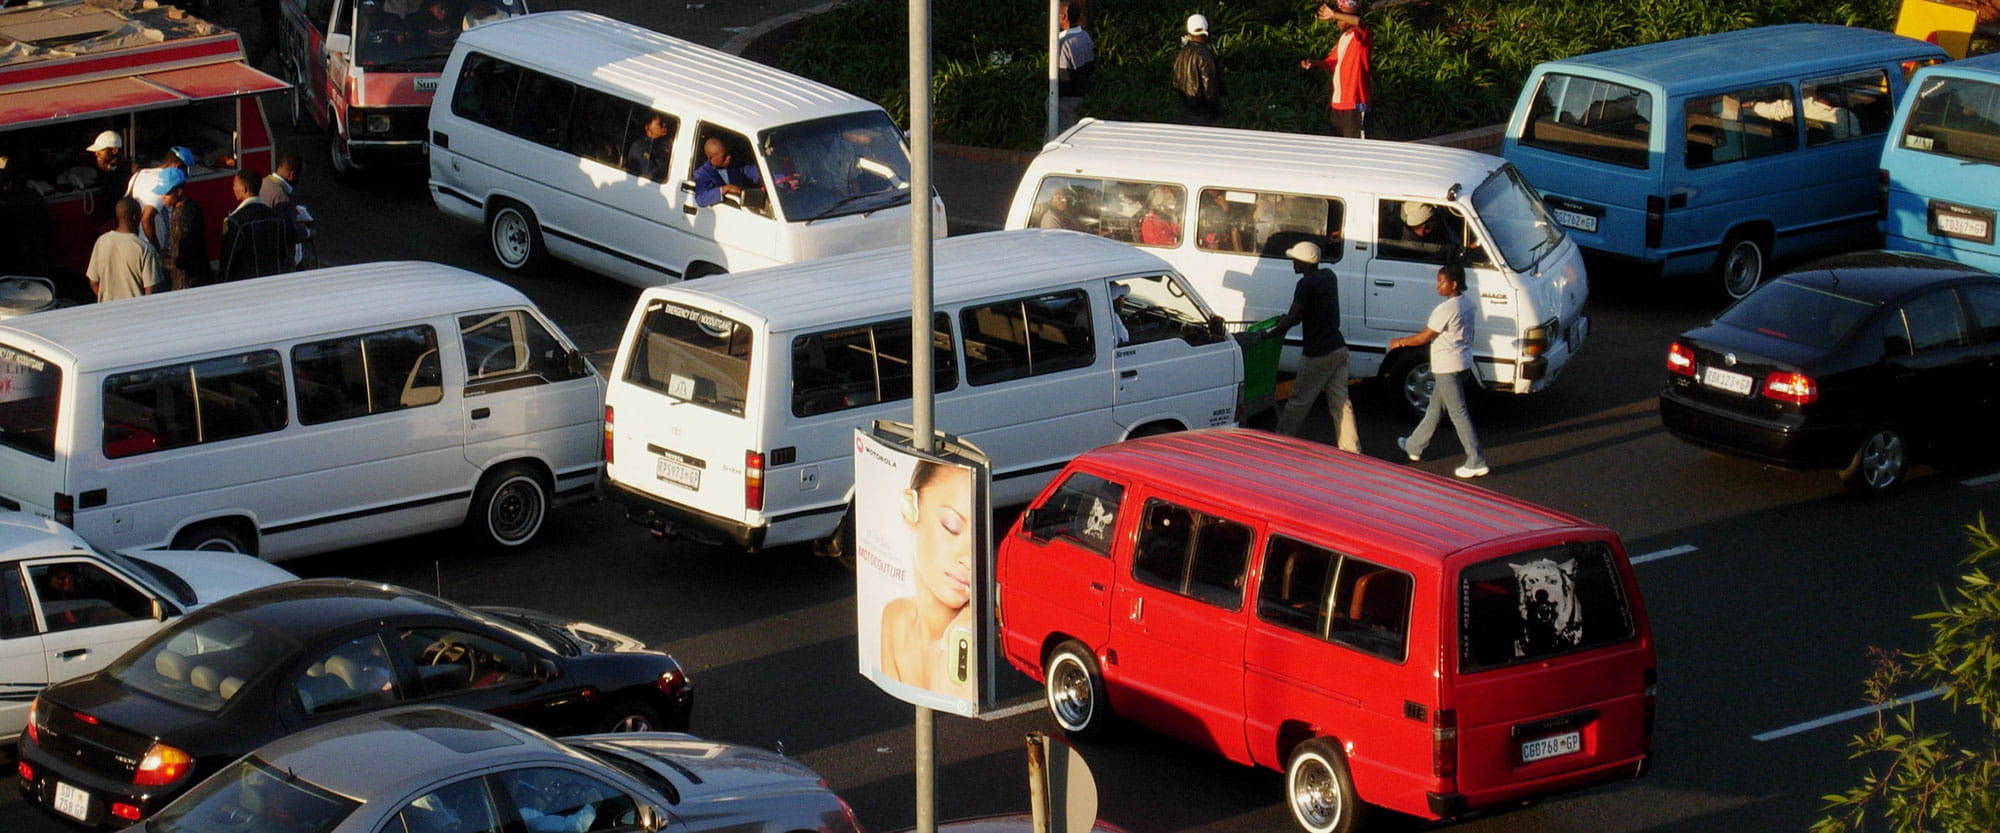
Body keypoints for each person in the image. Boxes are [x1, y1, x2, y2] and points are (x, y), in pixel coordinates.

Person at [880, 460, 976, 697]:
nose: (969, 558)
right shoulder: (895, 618)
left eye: (979, 536)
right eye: (951, 527)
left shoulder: (966, 637)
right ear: (910, 507)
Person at [1392, 264, 1488, 478]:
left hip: (1447, 366)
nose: (1437, 286)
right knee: (1434, 409)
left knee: (1458, 414)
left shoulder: (1446, 309)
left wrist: (1400, 342)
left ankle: (1476, 460)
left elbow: (1425, 336)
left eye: (1441, 282)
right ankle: (1414, 446)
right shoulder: (1468, 304)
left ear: (1453, 284)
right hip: (1462, 362)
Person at [1267, 241, 1358, 451]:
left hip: (1318, 352)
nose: (1293, 263)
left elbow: (1294, 317)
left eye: (1295, 260)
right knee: (1341, 403)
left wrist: (1271, 334)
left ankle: (1279, 442)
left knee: (1298, 401)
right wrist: (1290, 317)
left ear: (1304, 263)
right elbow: (1310, 309)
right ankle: (1351, 449)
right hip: (1338, 347)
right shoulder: (1329, 276)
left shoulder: (1305, 284)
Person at [1300, 0, 1371, 138]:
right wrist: (1313, 63)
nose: (1337, 20)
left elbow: (1359, 21)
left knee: (1355, 147)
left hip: (1355, 103)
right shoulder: (1344, 38)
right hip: (1338, 103)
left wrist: (1334, 14)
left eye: (1341, 17)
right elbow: (1331, 62)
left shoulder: (1362, 36)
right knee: (1337, 145)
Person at [86, 198, 162, 302]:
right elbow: (151, 290)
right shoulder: (145, 248)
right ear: (135, 217)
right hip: (136, 309)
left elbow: (93, 282)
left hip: (109, 308)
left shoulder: (101, 242)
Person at [219, 170, 289, 280]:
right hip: (275, 282)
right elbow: (285, 255)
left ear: (244, 189)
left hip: (248, 285)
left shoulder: (236, 222)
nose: (233, 188)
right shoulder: (278, 218)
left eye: (235, 185)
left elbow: (228, 263)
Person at [129, 146, 194, 251]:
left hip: (135, 245)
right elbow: (146, 218)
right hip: (152, 248)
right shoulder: (163, 182)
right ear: (176, 166)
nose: (185, 176)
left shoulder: (139, 175)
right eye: (185, 170)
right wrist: (157, 251)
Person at [158, 169, 213, 291]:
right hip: (183, 279)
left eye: (166, 194)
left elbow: (186, 259)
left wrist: (160, 261)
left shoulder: (186, 215)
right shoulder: (183, 207)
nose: (162, 197)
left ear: (179, 191)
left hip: (190, 282)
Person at [0, 155, 53, 279]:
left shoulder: (7, 203)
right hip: (37, 261)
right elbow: (47, 226)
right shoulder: (34, 196)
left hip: (14, 265)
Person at [1171, 14, 1224, 125]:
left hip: (1183, 109)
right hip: (1202, 111)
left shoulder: (1181, 53)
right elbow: (1209, 85)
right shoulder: (1205, 54)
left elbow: (1175, 82)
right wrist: (1214, 109)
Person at [1056, 0, 1095, 130]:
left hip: (1066, 100)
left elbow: (1064, 76)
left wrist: (1053, 96)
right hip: (1083, 94)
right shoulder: (1085, 36)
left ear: (1063, 16)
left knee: (1062, 134)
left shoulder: (1062, 42)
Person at [692, 136, 762, 207]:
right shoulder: (703, 173)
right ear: (711, 158)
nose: (729, 157)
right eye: (724, 156)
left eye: (728, 153)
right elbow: (701, 198)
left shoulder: (735, 165)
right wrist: (725, 189)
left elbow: (756, 173)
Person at [83, 129, 130, 223]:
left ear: (114, 150)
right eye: (96, 151)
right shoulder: (103, 169)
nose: (96, 154)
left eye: (102, 150)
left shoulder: (127, 171)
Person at [1397, 201, 1465, 262]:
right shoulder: (1410, 250)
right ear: (1425, 227)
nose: (1435, 221)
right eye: (1433, 219)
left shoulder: (1433, 233)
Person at [626, 113, 673, 182]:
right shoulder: (640, 147)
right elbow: (648, 175)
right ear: (648, 127)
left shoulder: (663, 144)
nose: (664, 124)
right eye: (660, 123)